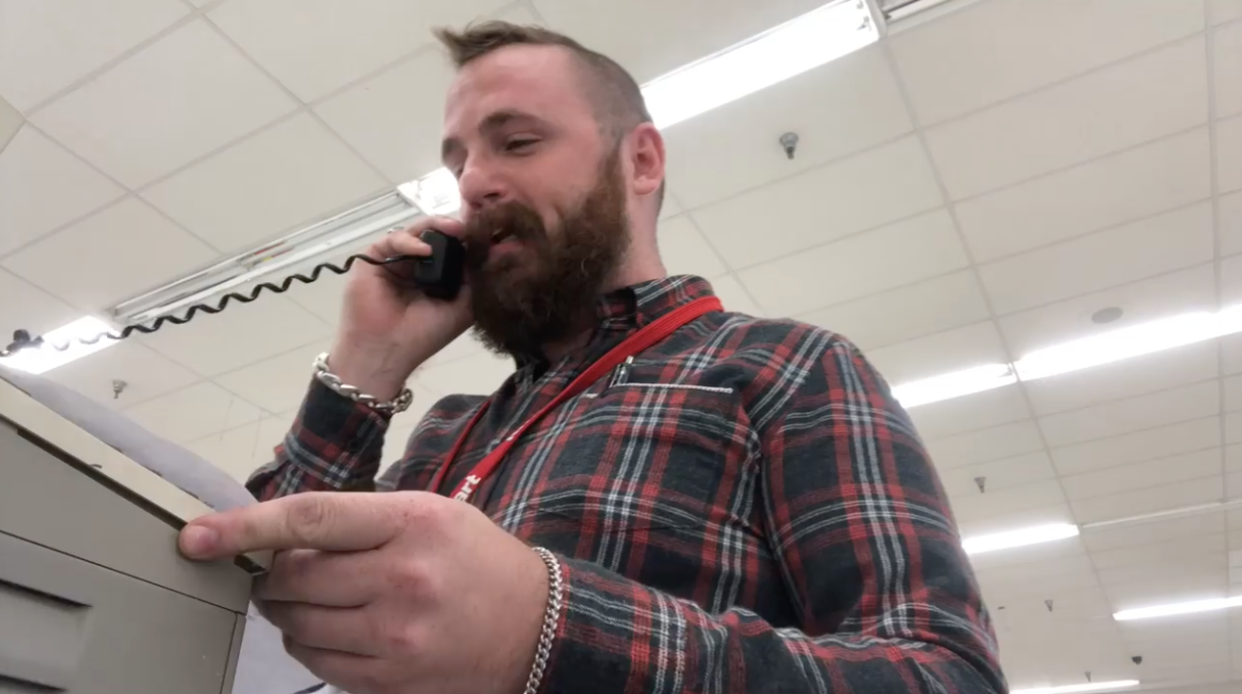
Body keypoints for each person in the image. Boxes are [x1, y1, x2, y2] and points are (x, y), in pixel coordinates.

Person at [178, 21, 1006, 694]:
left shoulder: (781, 367)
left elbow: (945, 674)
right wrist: (367, 361)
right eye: (460, 160)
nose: (473, 185)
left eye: (518, 142)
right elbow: (256, 602)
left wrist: (548, 629)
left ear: (640, 160)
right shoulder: (451, 432)